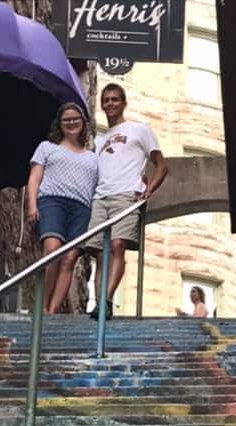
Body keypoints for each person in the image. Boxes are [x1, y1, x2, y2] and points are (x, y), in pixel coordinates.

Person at [87, 83, 168, 318]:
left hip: (127, 195)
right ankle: (100, 304)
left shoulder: (139, 129)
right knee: (99, 253)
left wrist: (148, 189)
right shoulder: (100, 140)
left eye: (115, 99)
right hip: (100, 197)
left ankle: (106, 299)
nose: (110, 103)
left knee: (117, 246)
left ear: (123, 103)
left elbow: (161, 165)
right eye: (106, 100)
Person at [26, 102, 99, 314]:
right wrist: (32, 205)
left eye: (76, 119)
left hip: (81, 208)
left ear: (83, 123)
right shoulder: (47, 148)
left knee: (70, 259)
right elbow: (34, 178)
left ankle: (52, 310)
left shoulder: (93, 157)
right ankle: (41, 306)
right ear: (60, 123)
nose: (71, 123)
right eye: (66, 119)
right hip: (52, 201)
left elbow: (100, 187)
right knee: (52, 250)